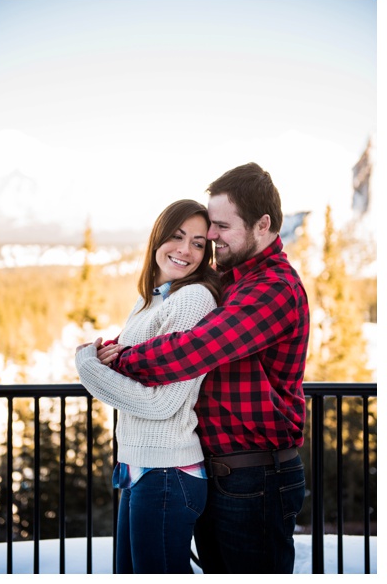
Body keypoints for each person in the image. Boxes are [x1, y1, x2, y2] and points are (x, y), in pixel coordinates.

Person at [97, 162, 310, 573]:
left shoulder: (273, 289)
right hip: (218, 471)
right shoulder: (229, 279)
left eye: (221, 227)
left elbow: (193, 350)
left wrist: (120, 359)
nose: (211, 237)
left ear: (263, 225)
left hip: (256, 477)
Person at [75, 199, 220, 573]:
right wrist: (115, 359)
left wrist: (87, 366)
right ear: (158, 237)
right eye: (177, 236)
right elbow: (138, 373)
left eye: (199, 243)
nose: (185, 250)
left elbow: (161, 404)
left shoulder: (193, 299)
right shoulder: (150, 300)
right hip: (141, 467)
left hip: (168, 473)